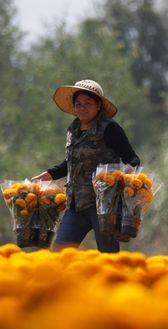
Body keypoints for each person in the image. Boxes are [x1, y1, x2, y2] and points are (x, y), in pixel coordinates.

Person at [31, 79, 140, 253]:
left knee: (108, 256)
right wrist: (50, 174)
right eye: (78, 104)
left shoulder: (110, 129)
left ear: (98, 105)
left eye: (88, 103)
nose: (82, 108)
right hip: (75, 205)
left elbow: (132, 158)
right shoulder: (73, 129)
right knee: (59, 254)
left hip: (104, 206)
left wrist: (128, 170)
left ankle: (118, 281)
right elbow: (73, 162)